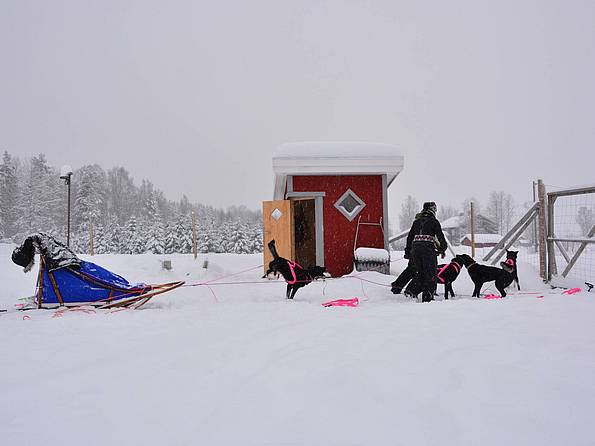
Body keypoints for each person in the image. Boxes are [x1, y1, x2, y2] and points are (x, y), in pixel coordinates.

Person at [404, 202, 447, 302]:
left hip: (415, 250)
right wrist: (442, 249)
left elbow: (410, 237)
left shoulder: (416, 222)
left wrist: (407, 252)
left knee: (421, 272)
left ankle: (411, 291)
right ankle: (427, 298)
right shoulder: (434, 222)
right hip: (428, 250)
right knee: (430, 274)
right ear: (432, 210)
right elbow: (440, 236)